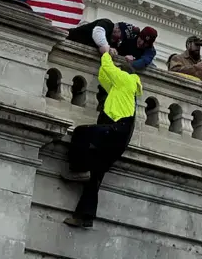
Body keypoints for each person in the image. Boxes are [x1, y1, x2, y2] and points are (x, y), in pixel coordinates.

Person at [60, 48, 141, 228]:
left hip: (115, 130)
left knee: (81, 132)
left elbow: (108, 68)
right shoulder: (120, 89)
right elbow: (105, 76)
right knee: (95, 176)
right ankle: (84, 217)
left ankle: (78, 168)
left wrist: (107, 54)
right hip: (118, 137)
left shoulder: (127, 80)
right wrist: (106, 65)